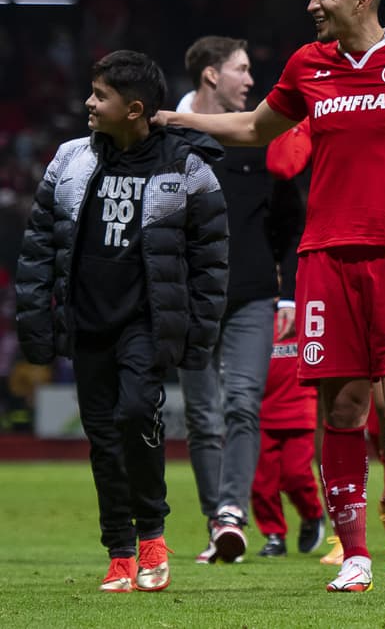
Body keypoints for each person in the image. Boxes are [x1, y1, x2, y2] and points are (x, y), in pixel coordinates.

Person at [156, 0, 385, 593]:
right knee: (341, 411)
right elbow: (258, 127)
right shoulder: (306, 65)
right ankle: (355, 552)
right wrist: (182, 119)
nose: (311, 4)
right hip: (325, 259)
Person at [16, 50, 229, 593]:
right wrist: (38, 319)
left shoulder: (186, 168)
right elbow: (39, 246)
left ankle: (153, 532)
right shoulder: (69, 160)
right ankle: (120, 551)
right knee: (103, 440)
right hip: (87, 322)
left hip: (146, 324)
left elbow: (211, 260)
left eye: (100, 95)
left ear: (134, 109)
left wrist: (199, 335)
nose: (89, 102)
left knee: (137, 413)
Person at [176, 35, 307, 564]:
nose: (252, 81)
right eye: (242, 70)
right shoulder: (170, 140)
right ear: (211, 75)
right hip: (188, 298)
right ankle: (218, 524)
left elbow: (289, 222)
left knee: (242, 405)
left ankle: (231, 513)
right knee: (203, 416)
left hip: (254, 294)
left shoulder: (264, 139)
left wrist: (289, 292)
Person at [251, 328, 326, 558]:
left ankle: (312, 514)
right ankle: (274, 536)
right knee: (261, 484)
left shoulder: (304, 314)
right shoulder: (256, 316)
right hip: (260, 412)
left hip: (300, 408)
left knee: (297, 476)